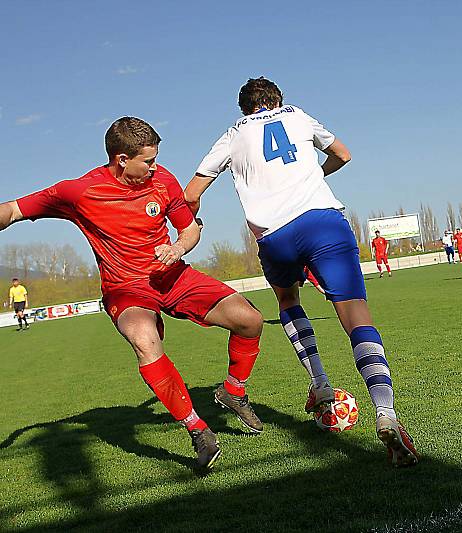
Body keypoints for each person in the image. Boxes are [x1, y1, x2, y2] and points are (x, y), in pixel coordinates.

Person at [0, 117, 265, 470]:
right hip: (126, 289)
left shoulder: (164, 180)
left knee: (250, 320)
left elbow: (188, 230)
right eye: (148, 161)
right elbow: (14, 210)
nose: (156, 167)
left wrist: (178, 248)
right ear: (122, 159)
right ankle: (198, 429)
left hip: (173, 277)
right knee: (144, 338)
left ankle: (232, 392)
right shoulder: (78, 192)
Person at [184, 77, 418, 466]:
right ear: (277, 101)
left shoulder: (232, 135)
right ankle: (386, 413)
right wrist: (313, 179)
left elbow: (191, 193)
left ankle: (321, 384)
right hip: (321, 221)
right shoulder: (298, 115)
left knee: (289, 300)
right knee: (356, 315)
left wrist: (192, 223)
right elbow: (343, 154)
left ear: (245, 109)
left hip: (274, 236)